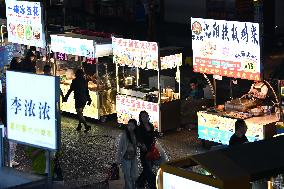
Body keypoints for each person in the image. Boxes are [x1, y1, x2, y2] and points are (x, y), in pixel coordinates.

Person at [136, 111, 157, 189]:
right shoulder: (139, 128)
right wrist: (142, 144)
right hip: (144, 151)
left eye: (146, 116)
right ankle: (152, 185)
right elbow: (138, 138)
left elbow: (153, 136)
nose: (145, 118)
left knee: (147, 169)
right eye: (143, 117)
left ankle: (139, 182)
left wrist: (154, 142)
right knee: (148, 169)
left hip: (151, 150)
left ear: (148, 117)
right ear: (141, 118)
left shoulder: (151, 126)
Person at [117, 119, 139, 189]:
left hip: (133, 156)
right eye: (128, 125)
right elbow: (120, 147)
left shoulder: (136, 134)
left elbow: (136, 144)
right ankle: (130, 187)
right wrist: (118, 159)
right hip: (126, 157)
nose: (130, 127)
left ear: (135, 126)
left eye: (132, 125)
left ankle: (132, 185)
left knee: (134, 174)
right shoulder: (124, 135)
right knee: (127, 175)